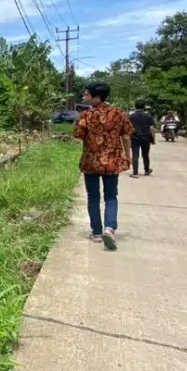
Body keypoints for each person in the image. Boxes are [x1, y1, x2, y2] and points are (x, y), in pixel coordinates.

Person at [73, 81, 133, 250]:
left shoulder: (85, 116)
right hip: (112, 163)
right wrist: (127, 156)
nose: (84, 96)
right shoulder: (119, 113)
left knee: (93, 196)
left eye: (86, 94)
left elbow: (77, 137)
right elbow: (127, 137)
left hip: (91, 162)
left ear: (96, 97)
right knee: (111, 196)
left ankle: (97, 232)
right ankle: (109, 228)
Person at [128, 100, 156, 177]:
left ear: (135, 106)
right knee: (146, 155)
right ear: (144, 106)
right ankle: (146, 170)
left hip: (134, 138)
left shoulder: (131, 116)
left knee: (135, 155)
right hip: (146, 138)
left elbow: (128, 127)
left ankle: (135, 172)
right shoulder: (148, 116)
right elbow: (152, 128)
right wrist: (153, 139)